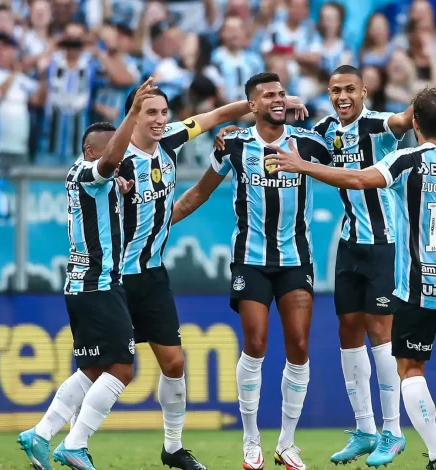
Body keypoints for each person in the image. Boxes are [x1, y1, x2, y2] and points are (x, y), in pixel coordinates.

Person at [264, 87, 436, 470]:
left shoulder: (406, 161)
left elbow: (358, 179)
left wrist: (304, 166)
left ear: (415, 122)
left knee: (410, 370)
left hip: (420, 286)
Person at [115, 81, 307, 470]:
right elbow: (90, 183)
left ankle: (176, 448)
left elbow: (217, 114)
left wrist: (268, 104)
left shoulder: (171, 138)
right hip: (118, 276)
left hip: (157, 275)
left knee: (175, 363)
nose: (160, 119)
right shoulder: (115, 159)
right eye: (150, 112)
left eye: (163, 112)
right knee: (111, 368)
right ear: (132, 115)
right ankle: (68, 437)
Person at [172, 72, 332, 470]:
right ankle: (251, 440)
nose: (277, 100)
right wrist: (161, 223)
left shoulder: (309, 143)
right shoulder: (234, 144)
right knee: (256, 343)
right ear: (252, 105)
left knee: (299, 344)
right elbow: (200, 193)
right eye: (268, 95)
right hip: (251, 259)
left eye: (282, 93)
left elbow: (349, 170)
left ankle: (287, 444)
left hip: (296, 258)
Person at [16, 79, 157, 470]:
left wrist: (119, 188)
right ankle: (75, 444)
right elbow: (107, 165)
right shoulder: (90, 171)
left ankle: (40, 434)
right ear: (91, 151)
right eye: (113, 148)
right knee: (122, 369)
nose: (120, 156)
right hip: (98, 285)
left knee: (93, 369)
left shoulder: (93, 178)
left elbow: (108, 178)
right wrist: (133, 112)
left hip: (86, 285)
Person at [311, 65, 413, 467]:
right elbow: (289, 142)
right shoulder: (325, 129)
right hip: (350, 244)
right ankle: (365, 429)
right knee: (348, 329)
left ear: (364, 91)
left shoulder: (379, 126)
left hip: (385, 244)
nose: (342, 97)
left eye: (350, 89)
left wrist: (419, 100)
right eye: (336, 90)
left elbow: (402, 120)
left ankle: (393, 430)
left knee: (380, 334)